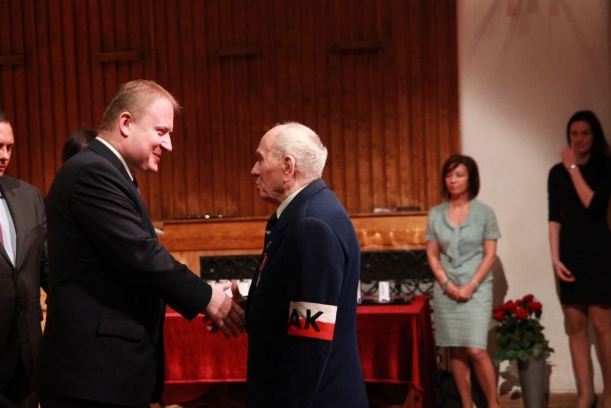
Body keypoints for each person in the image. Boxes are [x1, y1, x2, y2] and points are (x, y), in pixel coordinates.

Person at [37, 80, 245, 408]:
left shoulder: (108, 172)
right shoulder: (92, 171)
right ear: (125, 123)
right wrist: (208, 298)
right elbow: (142, 254)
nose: (169, 144)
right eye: (161, 131)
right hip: (93, 377)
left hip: (106, 376)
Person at [233, 122, 367, 407]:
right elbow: (295, 304)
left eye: (260, 159)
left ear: (287, 167)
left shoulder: (311, 224)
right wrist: (251, 308)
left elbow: (310, 341)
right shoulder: (307, 212)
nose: (254, 170)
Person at [425, 154, 500, 408]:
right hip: (446, 290)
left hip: (477, 288)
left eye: (459, 175)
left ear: (471, 179)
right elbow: (432, 254)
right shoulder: (436, 214)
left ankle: (493, 404)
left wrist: (470, 286)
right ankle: (467, 405)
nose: (453, 180)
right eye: (449, 175)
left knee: (476, 350)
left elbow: (490, 255)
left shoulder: (485, 213)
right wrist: (447, 284)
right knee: (455, 349)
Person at [548, 110, 611, 408]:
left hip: (599, 252)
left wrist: (573, 168)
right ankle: (586, 395)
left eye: (585, 133)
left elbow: (595, 206)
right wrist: (555, 257)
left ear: (594, 136)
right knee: (575, 325)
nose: (579, 139)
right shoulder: (555, 172)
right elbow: (554, 217)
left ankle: (609, 393)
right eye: (574, 133)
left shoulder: (605, 167)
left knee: (602, 326)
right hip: (570, 253)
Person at [0, 109, 48, 408]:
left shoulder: (29, 197)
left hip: (27, 358)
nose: (4, 155)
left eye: (9, 147)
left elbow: (47, 267)